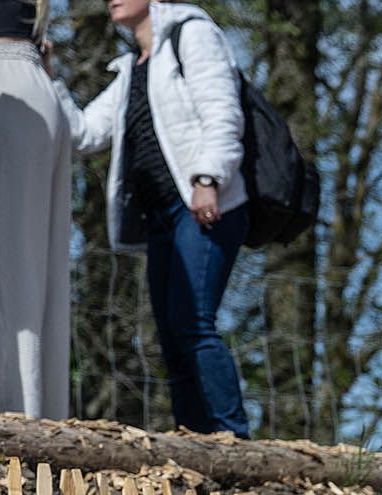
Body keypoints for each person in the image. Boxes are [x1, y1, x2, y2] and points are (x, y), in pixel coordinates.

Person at [55, 0, 250, 436]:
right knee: (172, 337)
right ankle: (194, 441)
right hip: (161, 216)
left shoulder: (192, 34)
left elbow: (222, 110)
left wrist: (208, 178)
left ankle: (234, 440)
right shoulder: (130, 70)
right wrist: (50, 78)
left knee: (192, 323)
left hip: (201, 203)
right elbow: (84, 134)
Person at [0, 0, 70, 420]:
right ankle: (42, 416)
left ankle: (16, 418)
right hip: (39, 87)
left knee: (5, 266)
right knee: (41, 273)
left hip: (3, 88)